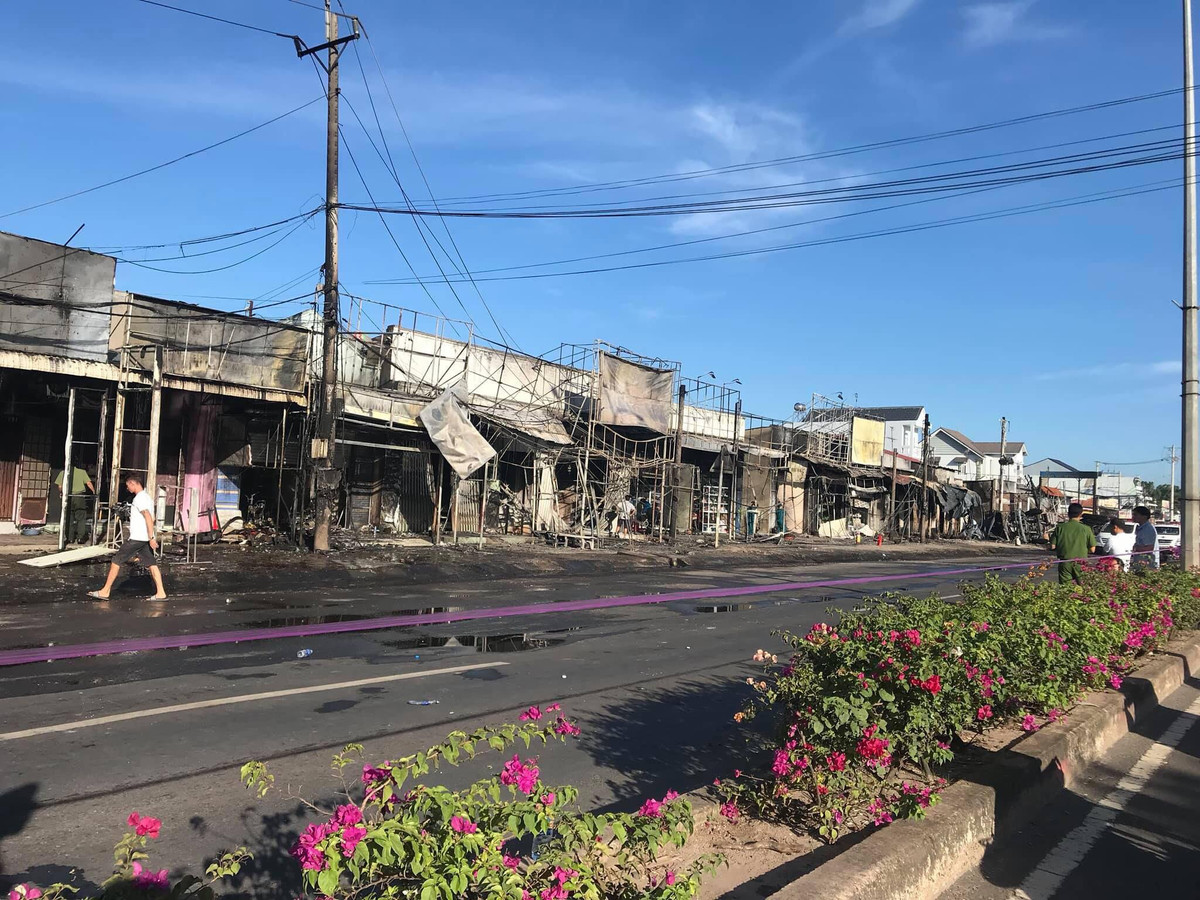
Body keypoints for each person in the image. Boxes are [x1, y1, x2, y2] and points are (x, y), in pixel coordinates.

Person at [87, 474, 167, 601]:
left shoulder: (139, 498)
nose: (127, 488)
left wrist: (151, 537)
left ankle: (105, 591)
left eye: (127, 485)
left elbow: (147, 516)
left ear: (133, 484)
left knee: (116, 560)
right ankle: (161, 592)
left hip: (137, 538)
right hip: (144, 539)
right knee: (152, 564)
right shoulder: (148, 498)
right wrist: (150, 536)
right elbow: (153, 518)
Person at [1050, 502, 1096, 585]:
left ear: (1068, 514)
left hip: (1065, 562)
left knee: (1065, 588)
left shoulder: (1060, 527)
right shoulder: (1086, 529)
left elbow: (1052, 546)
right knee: (1083, 587)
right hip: (1081, 563)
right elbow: (1093, 549)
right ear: (1081, 514)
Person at [54, 463, 94, 545]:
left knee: (69, 517)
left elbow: (60, 486)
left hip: (68, 496)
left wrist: (61, 492)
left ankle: (70, 538)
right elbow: (89, 483)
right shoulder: (82, 472)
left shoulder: (63, 472)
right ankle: (80, 538)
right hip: (79, 496)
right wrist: (94, 491)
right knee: (81, 517)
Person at [1131, 505, 1160, 570]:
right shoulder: (1141, 528)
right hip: (1140, 562)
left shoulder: (1147, 529)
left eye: (1135, 515)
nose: (1133, 517)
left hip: (1146, 563)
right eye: (1133, 514)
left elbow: (1149, 548)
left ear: (1144, 516)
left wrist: (1135, 548)